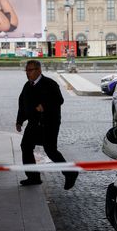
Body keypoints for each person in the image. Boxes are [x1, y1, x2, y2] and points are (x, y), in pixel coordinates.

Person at [16, 60, 78, 189]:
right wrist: (19, 120)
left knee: (51, 150)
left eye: (30, 70)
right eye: (26, 70)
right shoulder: (27, 86)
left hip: (48, 123)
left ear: (38, 70)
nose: (27, 73)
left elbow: (59, 100)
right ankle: (33, 177)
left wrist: (45, 106)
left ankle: (70, 173)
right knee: (26, 147)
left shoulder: (50, 84)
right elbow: (22, 104)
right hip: (33, 123)